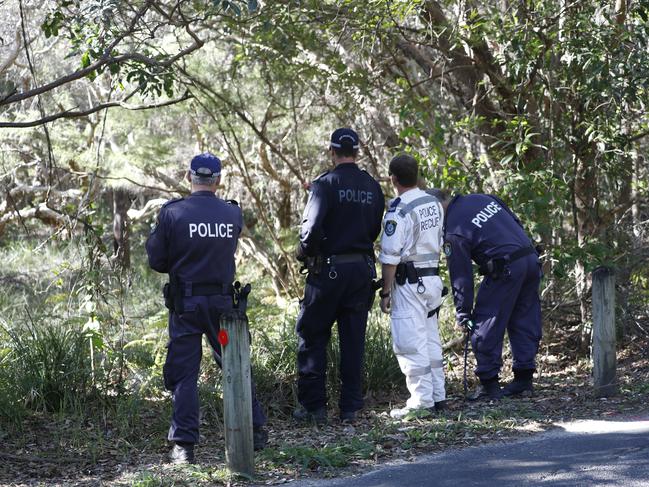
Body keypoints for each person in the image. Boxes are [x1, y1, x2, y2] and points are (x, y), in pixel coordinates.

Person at [146, 153, 268, 464]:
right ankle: (255, 430)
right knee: (233, 361)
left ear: (189, 177)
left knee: (185, 372)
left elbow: (157, 260)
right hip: (222, 309)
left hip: (187, 308)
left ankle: (184, 447)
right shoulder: (231, 214)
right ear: (218, 180)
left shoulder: (173, 214)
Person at [293, 128, 385, 423]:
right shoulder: (372, 187)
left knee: (312, 334)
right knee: (353, 339)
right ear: (357, 152)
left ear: (331, 152)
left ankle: (314, 407)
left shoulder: (324, 185)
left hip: (328, 271)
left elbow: (310, 233)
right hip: (361, 271)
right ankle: (350, 408)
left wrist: (303, 251)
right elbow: (374, 230)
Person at [433, 189, 542, 400]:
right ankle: (524, 380)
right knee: (524, 319)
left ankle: (489, 385)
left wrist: (463, 313)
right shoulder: (482, 198)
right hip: (530, 260)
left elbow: (461, 276)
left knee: (485, 323)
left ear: (438, 207)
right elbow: (515, 222)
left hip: (506, 268)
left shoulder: (454, 230)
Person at [378, 154, 447, 419]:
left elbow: (390, 256)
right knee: (430, 339)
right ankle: (438, 396)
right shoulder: (433, 201)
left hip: (409, 283)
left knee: (410, 342)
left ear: (393, 179)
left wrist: (385, 292)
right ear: (417, 175)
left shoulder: (399, 210)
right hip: (432, 280)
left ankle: (421, 401)